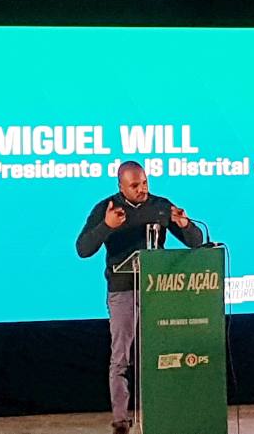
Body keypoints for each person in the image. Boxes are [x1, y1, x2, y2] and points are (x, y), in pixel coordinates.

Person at [75, 161, 203, 434]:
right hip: (123, 290)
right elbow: (83, 249)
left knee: (161, 354)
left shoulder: (160, 206)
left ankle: (163, 411)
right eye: (135, 185)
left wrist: (185, 224)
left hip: (157, 290)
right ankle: (121, 420)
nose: (142, 189)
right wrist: (106, 226)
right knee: (121, 357)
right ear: (121, 186)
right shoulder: (107, 208)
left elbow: (196, 241)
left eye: (145, 182)